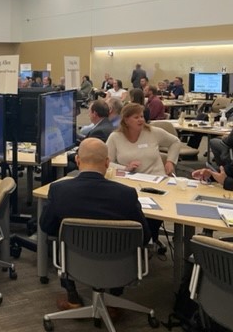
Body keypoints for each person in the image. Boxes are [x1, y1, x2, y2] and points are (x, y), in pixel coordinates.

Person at [40, 138, 150, 311]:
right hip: (119, 266)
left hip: (75, 263)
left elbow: (46, 226)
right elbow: (144, 236)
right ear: (107, 163)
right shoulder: (126, 194)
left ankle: (73, 297)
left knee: (60, 239)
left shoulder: (59, 190)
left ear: (77, 160)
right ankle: (113, 300)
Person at [107, 103, 180, 177]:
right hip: (129, 180)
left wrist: (170, 161)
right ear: (126, 120)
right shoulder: (115, 137)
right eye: (136, 117)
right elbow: (106, 162)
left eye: (142, 116)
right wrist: (125, 168)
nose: (141, 120)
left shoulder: (153, 132)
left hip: (157, 178)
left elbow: (175, 142)